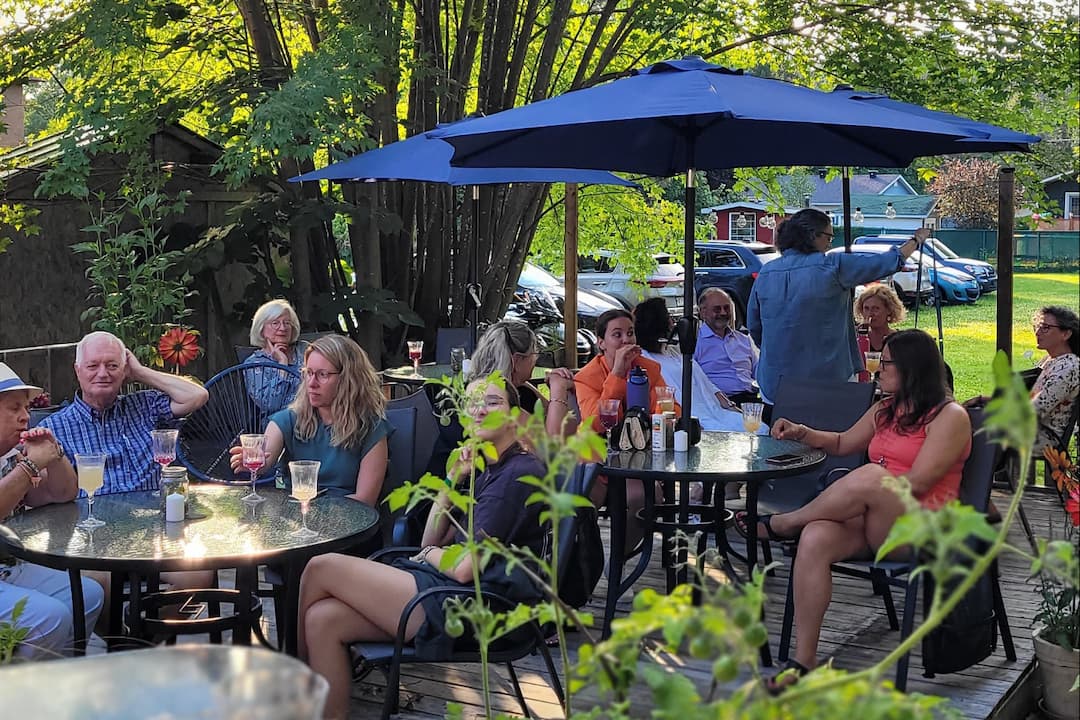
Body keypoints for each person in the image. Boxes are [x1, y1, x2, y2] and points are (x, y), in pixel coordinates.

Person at [296, 381, 547, 720]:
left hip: (481, 607)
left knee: (320, 566)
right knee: (322, 619)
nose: (480, 409)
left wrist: (427, 557)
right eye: (472, 402)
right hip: (448, 591)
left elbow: (462, 567)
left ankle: (293, 686)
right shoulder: (488, 467)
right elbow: (431, 539)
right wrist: (451, 480)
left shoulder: (516, 473)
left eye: (492, 402)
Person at [737, 329, 971, 689]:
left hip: (922, 530)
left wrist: (870, 488)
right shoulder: (886, 410)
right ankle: (804, 660)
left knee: (874, 476)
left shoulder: (949, 417)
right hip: (875, 523)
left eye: (886, 361)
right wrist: (802, 431)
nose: (875, 367)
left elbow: (919, 483)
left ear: (911, 368)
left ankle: (786, 523)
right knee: (816, 536)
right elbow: (843, 442)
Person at [747, 209, 929, 420]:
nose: (830, 244)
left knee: (778, 446)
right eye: (828, 237)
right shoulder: (832, 266)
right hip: (827, 383)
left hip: (775, 384)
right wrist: (916, 240)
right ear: (812, 235)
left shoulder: (766, 273)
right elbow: (884, 263)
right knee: (831, 445)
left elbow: (755, 327)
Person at [0, 363, 105, 660]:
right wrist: (30, 466)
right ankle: (23, 694)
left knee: (87, 594)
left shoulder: (10, 456)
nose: (26, 416)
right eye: (14, 408)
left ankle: (58, 679)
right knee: (50, 616)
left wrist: (54, 454)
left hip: (8, 567)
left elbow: (61, 494)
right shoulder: (19, 462)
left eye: (26, 407)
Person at [42, 331, 209, 494]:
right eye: (92, 366)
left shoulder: (146, 406)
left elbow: (197, 396)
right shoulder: (53, 429)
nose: (102, 374)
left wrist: (140, 372)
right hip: (93, 518)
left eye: (112, 366)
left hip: (151, 516)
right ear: (78, 371)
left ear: (124, 371)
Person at [230, 334, 390, 502]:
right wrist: (254, 462)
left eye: (322, 374)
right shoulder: (290, 419)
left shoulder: (371, 428)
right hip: (297, 518)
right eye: (309, 373)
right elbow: (265, 457)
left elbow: (365, 500)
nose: (311, 383)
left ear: (348, 379)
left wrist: (318, 513)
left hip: (348, 520)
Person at [635, 297, 764, 434]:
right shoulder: (646, 359)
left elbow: (708, 384)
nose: (673, 323)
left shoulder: (673, 351)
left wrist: (733, 408)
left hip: (716, 409)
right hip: (693, 416)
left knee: (761, 428)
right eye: (669, 318)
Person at [467, 320, 578, 437]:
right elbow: (553, 441)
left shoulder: (520, 388)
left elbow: (569, 427)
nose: (535, 361)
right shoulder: (500, 398)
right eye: (534, 354)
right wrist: (558, 388)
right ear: (517, 360)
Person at [694, 288, 759, 406]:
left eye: (726, 308)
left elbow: (759, 373)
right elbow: (695, 381)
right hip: (721, 403)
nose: (723, 313)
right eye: (717, 309)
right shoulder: (696, 342)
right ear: (703, 312)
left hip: (752, 397)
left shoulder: (743, 340)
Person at [242, 299, 309, 412]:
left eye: (287, 323)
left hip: (314, 416)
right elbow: (271, 405)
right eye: (275, 323)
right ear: (261, 329)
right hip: (278, 424)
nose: (282, 328)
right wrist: (283, 364)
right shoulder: (255, 364)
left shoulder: (305, 351)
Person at [1028, 306, 1078, 454]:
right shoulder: (1052, 361)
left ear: (1066, 334)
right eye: (1037, 327)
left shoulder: (1067, 369)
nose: (1037, 332)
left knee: (976, 435)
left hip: (1045, 437)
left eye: (1045, 328)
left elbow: (1034, 411)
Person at [854, 284, 906, 352]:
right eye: (866, 308)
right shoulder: (857, 339)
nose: (870, 314)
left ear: (889, 310)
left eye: (876, 308)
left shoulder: (899, 340)